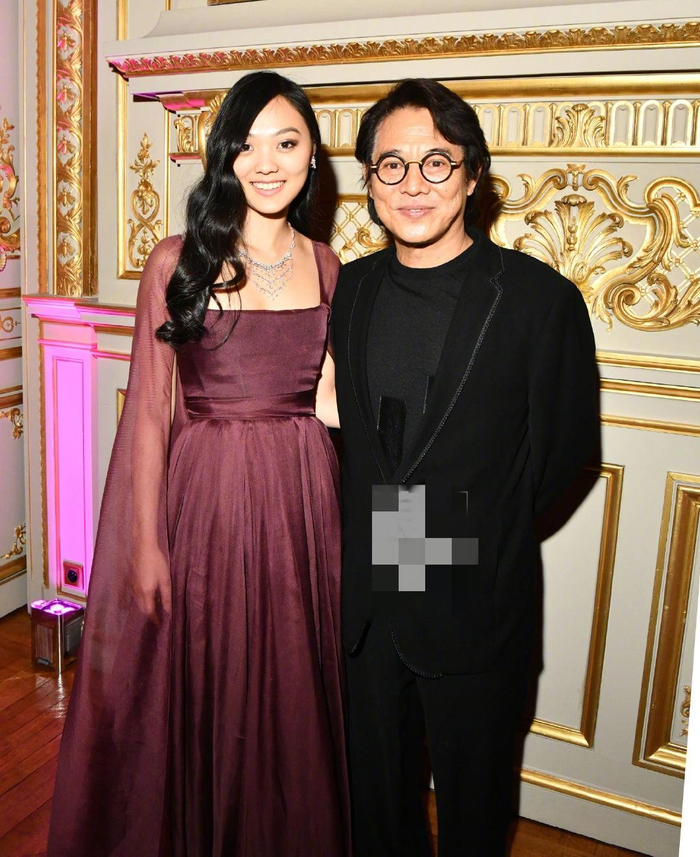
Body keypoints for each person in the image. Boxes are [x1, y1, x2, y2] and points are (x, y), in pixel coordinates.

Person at [47, 71, 350, 857]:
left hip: (302, 502)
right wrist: (146, 542)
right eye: (246, 145)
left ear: (313, 155)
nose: (267, 162)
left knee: (291, 686)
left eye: (286, 142)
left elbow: (330, 401)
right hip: (207, 498)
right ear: (223, 157)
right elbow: (150, 410)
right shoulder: (177, 260)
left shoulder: (328, 266)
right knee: (209, 677)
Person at [331, 79, 599, 856]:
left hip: (475, 603)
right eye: (392, 165)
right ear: (369, 181)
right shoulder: (349, 288)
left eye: (436, 162)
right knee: (377, 811)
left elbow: (562, 458)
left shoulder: (539, 300)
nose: (412, 184)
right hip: (369, 604)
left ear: (473, 174)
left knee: (475, 818)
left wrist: (461, 533)